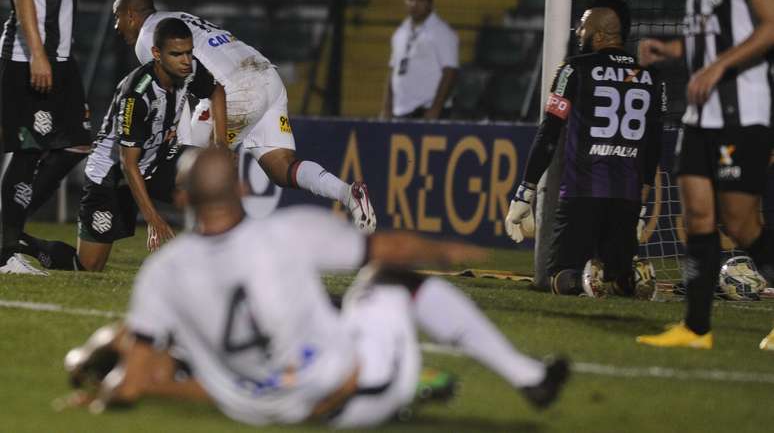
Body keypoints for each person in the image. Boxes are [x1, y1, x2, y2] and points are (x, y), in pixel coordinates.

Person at [61, 146, 569, 428]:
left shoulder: (164, 274)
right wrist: (451, 252)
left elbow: (136, 374)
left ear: (179, 197)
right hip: (350, 390)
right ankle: (523, 377)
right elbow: (389, 249)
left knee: (306, 316)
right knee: (387, 280)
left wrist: (98, 387)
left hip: (277, 403)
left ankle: (411, 384)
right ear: (242, 189)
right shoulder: (289, 232)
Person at [111, 0, 376, 234]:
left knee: (193, 172)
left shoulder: (149, 38)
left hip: (234, 87)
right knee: (282, 168)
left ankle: (206, 248)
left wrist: (181, 142)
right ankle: (348, 193)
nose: (116, 26)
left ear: (131, 15)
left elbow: (177, 93)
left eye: (118, 18)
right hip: (266, 76)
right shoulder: (174, 17)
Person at [635, 0, 774, 349]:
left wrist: (718, 67)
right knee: (696, 216)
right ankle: (696, 329)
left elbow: (771, 27)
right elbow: (707, 41)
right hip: (701, 116)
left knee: (740, 222)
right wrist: (673, 50)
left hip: (741, 113)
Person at [505, 0, 664, 298]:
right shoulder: (652, 77)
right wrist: (642, 202)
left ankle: (587, 284)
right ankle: (629, 279)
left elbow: (549, 132)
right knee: (621, 282)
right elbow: (653, 144)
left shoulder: (574, 69)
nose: (579, 32)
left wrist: (525, 191)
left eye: (584, 26)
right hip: (626, 197)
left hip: (581, 192)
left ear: (602, 34)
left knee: (560, 278)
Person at [56, 17, 216, 272]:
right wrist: (153, 219)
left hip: (155, 162)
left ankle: (211, 258)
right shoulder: (137, 95)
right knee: (88, 266)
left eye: (189, 52)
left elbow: (216, 91)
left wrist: (222, 145)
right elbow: (128, 164)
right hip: (112, 176)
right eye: (177, 54)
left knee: (208, 177)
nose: (186, 61)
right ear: (156, 54)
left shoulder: (190, 69)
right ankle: (20, 245)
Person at [0, 0, 91, 275]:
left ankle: (11, 230)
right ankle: (6, 253)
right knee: (28, 150)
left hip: (62, 57)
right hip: (29, 57)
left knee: (78, 143)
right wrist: (38, 54)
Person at [382, 0, 459, 120]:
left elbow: (450, 72)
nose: (414, 4)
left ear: (430, 3)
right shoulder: (400, 32)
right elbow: (393, 70)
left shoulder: (442, 32)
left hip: (426, 112)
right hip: (401, 112)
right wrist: (387, 108)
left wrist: (436, 109)